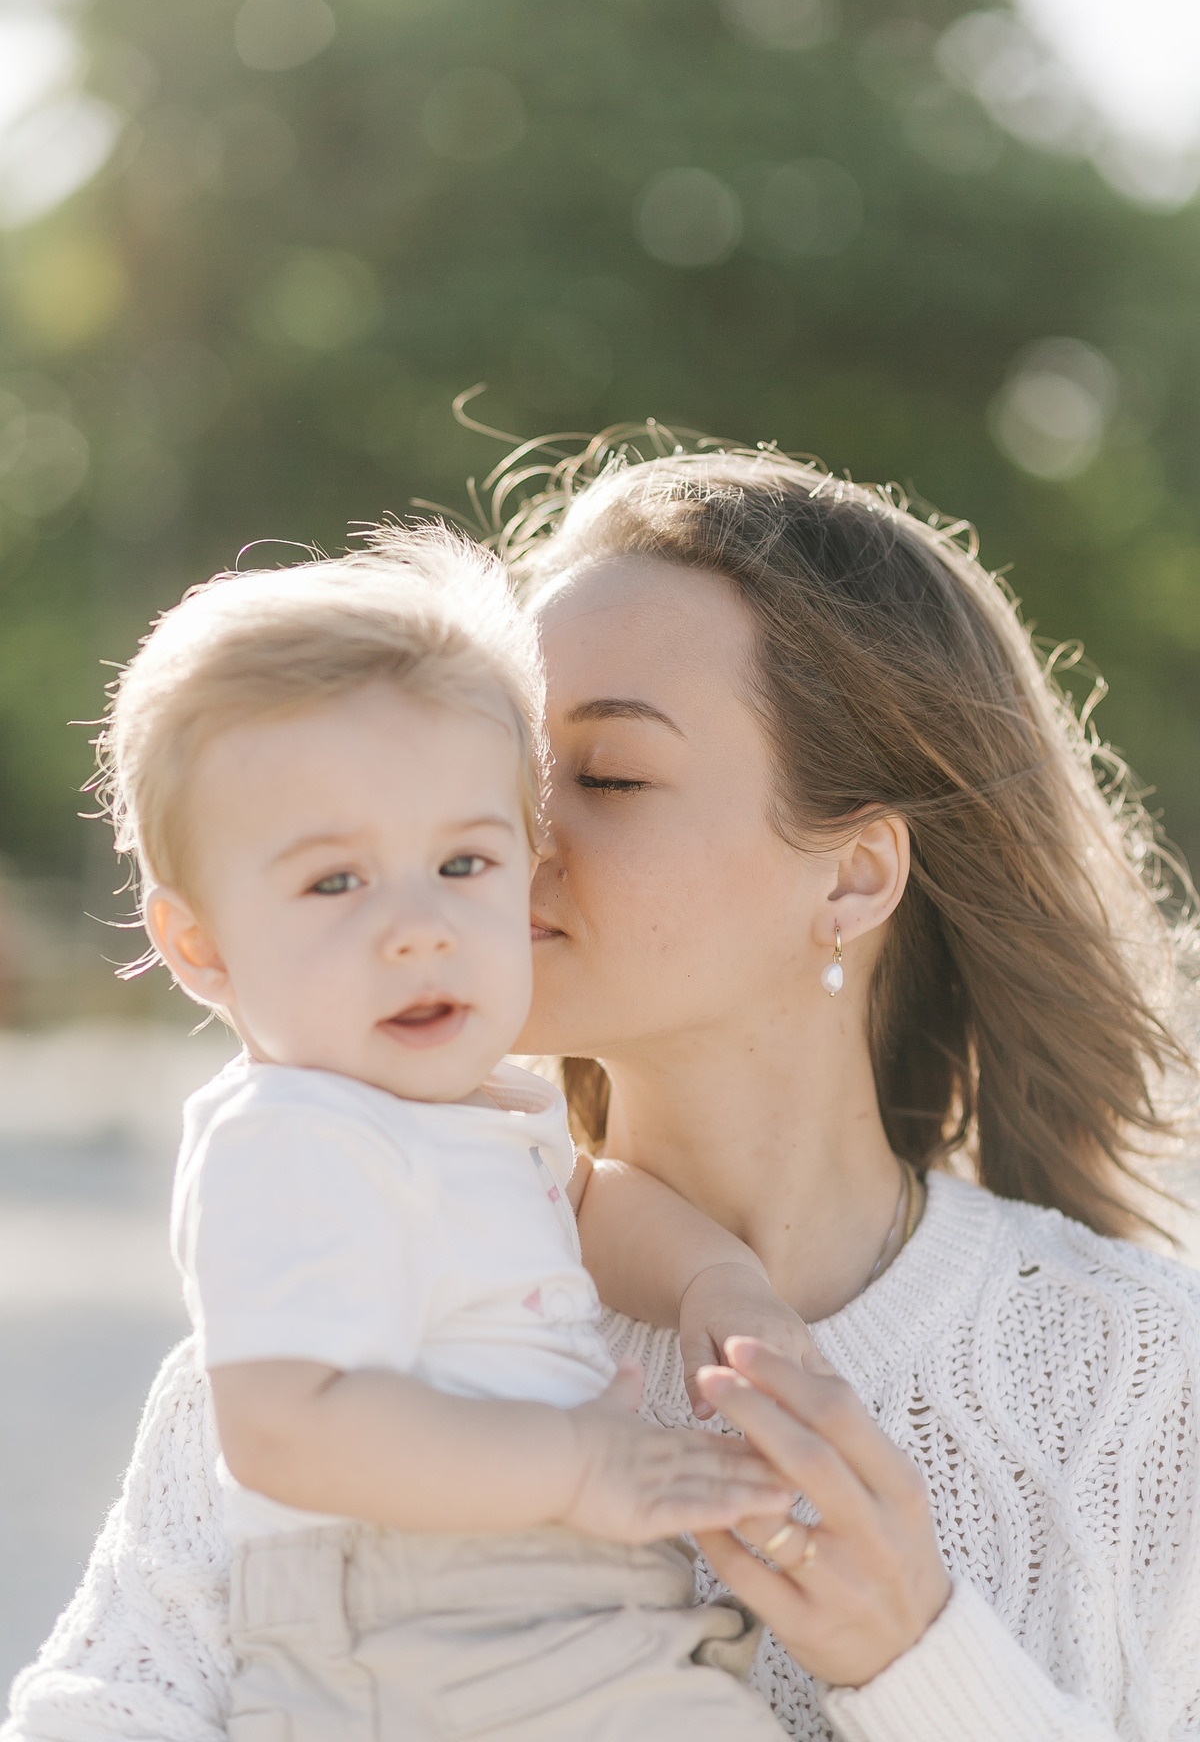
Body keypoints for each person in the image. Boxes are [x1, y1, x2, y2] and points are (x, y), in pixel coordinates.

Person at [6, 434, 1200, 1742]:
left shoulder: (1142, 1375)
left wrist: (915, 1653)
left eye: (610, 776)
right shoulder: (336, 1309)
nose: (509, 841)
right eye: (509, 775)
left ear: (853, 875)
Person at [86, 528, 803, 1741]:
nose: (418, 928)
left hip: (570, 1609)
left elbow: (588, 1201)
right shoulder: (288, 1139)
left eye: (462, 863)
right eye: (335, 882)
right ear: (201, 945)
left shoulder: (484, 1109)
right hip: (408, 1625)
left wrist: (713, 1278)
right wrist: (578, 1466)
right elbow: (282, 1428)